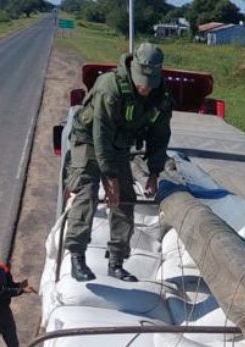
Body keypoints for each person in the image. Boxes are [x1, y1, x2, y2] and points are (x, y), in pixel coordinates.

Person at [62, 42, 173, 283]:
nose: (145, 88)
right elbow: (100, 134)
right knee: (87, 191)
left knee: (125, 199)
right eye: (142, 80)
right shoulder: (109, 87)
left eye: (150, 82)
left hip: (119, 145)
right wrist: (109, 176)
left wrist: (155, 172)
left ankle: (116, 261)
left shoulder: (161, 96)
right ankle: (77, 256)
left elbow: (160, 135)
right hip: (89, 141)